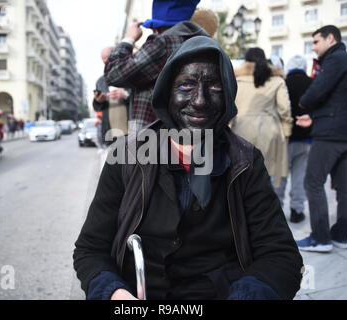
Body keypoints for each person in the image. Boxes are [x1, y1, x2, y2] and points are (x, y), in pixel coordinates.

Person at [73, 36, 303, 300]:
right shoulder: (126, 155)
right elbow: (90, 248)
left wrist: (248, 294)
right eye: (187, 84)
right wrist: (115, 294)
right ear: (167, 92)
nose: (201, 100)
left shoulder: (245, 161)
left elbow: (280, 255)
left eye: (215, 86)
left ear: (228, 94)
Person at [295, 25, 347, 252]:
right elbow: (339, 98)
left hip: (331, 133)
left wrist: (305, 102)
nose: (313, 47)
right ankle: (340, 236)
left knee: (312, 182)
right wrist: (313, 116)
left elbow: (318, 91)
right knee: (344, 186)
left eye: (316, 42)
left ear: (330, 38)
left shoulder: (336, 59)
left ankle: (320, 238)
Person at [104, 0, 209, 132]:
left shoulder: (162, 44)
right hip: (195, 138)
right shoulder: (206, 47)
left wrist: (128, 39)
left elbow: (112, 74)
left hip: (153, 140)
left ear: (157, 28)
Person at [229, 47, 292, 189]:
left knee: (242, 174)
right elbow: (285, 109)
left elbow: (229, 106)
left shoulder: (236, 80)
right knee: (265, 176)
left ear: (245, 61)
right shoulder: (277, 81)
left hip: (241, 131)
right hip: (269, 131)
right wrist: (286, 132)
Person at [275, 55, 313, 223]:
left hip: (285, 138)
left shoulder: (282, 83)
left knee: (280, 176)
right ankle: (297, 210)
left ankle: (276, 211)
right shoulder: (312, 83)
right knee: (300, 176)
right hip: (306, 139)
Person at [94, 47, 130, 146]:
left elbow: (142, 97)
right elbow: (97, 107)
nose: (105, 62)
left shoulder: (129, 75)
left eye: (107, 58)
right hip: (110, 133)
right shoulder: (100, 81)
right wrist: (98, 101)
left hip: (131, 131)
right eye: (103, 59)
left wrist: (126, 94)